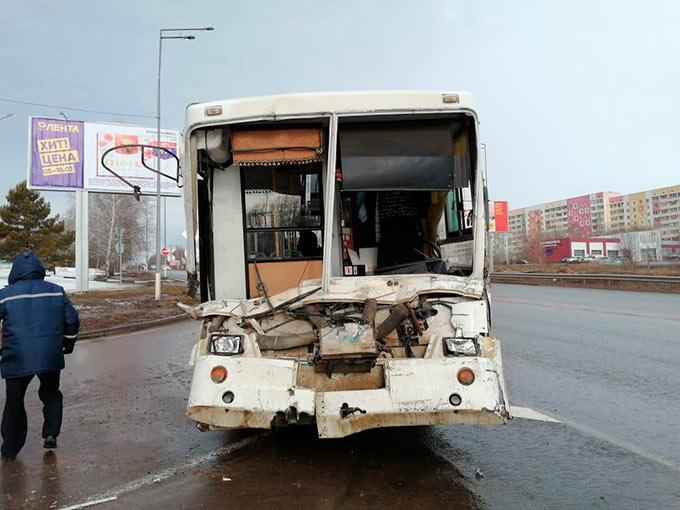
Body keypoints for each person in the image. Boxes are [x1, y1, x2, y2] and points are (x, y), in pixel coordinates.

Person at [0, 252, 79, 461]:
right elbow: (71, 318)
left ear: (15, 271)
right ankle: (51, 433)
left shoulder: (5, 295)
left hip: (17, 356)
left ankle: (10, 449)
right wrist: (68, 343)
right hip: (49, 354)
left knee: (14, 402)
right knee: (51, 393)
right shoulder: (56, 291)